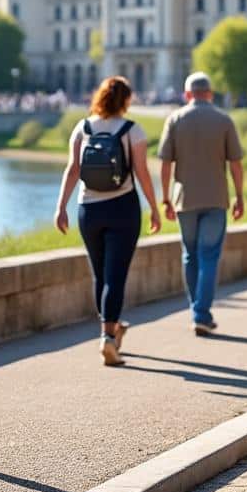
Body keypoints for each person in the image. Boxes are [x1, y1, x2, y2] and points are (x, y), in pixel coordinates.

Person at [54, 76, 161, 367]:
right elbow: (141, 173)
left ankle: (111, 327)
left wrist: (61, 206)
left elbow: (73, 169)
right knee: (116, 276)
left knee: (100, 275)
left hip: (88, 209)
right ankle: (108, 339)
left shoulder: (83, 127)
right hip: (122, 208)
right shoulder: (132, 130)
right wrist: (154, 207)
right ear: (125, 100)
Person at [159, 72, 245, 336]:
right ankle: (201, 313)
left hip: (185, 199)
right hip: (216, 198)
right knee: (209, 257)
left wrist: (165, 197)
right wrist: (239, 196)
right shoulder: (223, 120)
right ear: (210, 93)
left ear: (187, 95)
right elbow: (235, 164)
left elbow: (165, 163)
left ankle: (196, 309)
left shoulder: (175, 119)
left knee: (190, 254)